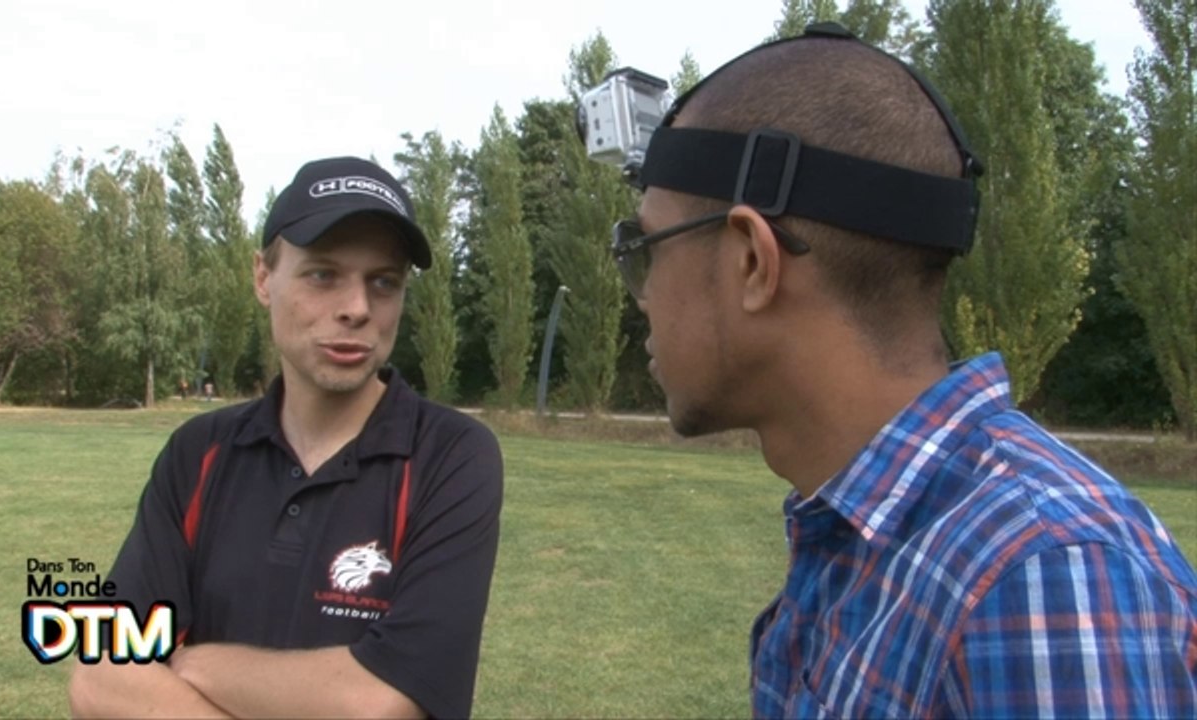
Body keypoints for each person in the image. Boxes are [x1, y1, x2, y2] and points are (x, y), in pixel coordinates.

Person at [611, 24, 1197, 718]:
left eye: (647, 247)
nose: (642, 295)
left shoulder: (1044, 576)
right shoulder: (855, 539)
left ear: (752, 262)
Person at [69, 157, 504, 719]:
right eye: (323, 274)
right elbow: (100, 678)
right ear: (261, 278)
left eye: (384, 282)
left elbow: (385, 702)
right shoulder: (196, 452)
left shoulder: (451, 456)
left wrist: (192, 665)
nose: (356, 308)